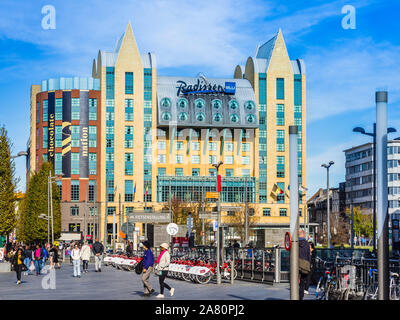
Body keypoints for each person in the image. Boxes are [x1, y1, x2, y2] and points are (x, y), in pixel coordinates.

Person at [299, 229, 311, 300]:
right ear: (303, 235)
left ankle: (294, 295)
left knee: (294, 280)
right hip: (304, 264)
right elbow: (308, 255)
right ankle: (301, 297)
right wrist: (309, 264)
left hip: (296, 264)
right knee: (303, 281)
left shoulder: (295, 242)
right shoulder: (306, 243)